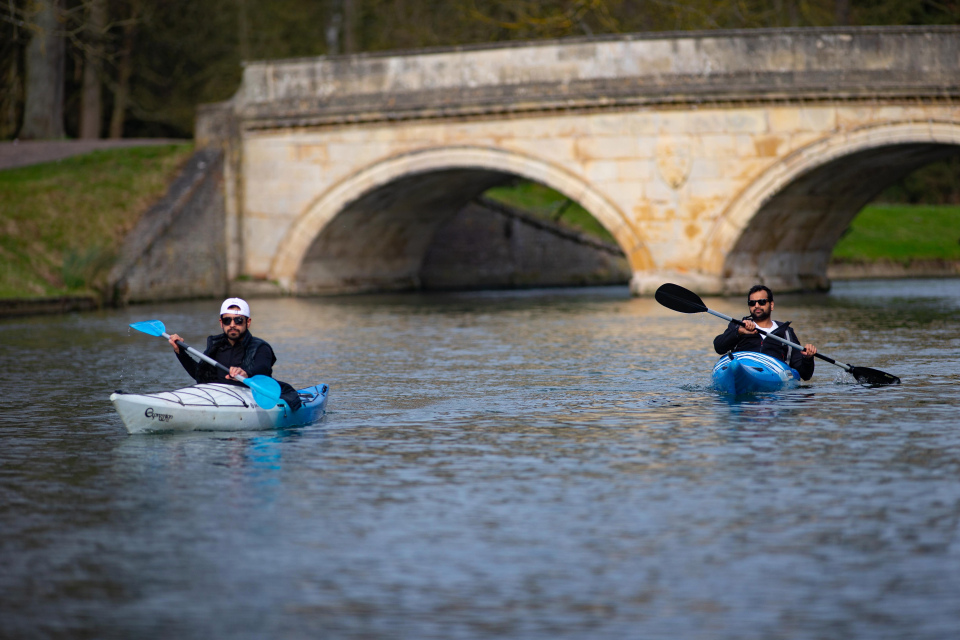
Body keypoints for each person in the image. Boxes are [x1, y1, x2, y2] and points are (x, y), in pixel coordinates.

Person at [167, 297, 302, 410]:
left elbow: (262, 369)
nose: (232, 324)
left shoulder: (261, 347)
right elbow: (199, 375)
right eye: (227, 320)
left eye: (238, 320)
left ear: (248, 322)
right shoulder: (215, 347)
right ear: (221, 323)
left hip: (247, 399)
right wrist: (180, 352)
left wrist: (246, 373)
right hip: (216, 397)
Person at [713, 285, 818, 381]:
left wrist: (808, 358)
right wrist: (738, 332)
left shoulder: (786, 332)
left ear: (771, 305)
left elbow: (805, 375)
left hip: (773, 374)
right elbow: (719, 347)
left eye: (762, 302)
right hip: (741, 366)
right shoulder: (738, 326)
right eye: (752, 303)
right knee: (734, 364)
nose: (757, 306)